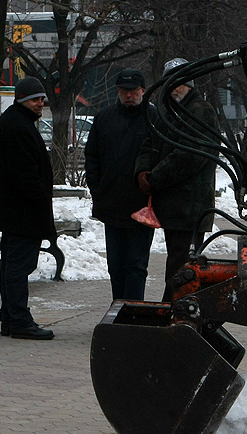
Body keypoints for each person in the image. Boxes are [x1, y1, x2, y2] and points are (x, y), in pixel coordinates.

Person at [135, 58, 220, 302]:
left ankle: (176, 314)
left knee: (182, 268)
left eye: (180, 81)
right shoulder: (167, 111)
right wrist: (141, 171)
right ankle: (176, 313)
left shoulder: (200, 111)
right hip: (175, 207)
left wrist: (154, 178)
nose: (175, 87)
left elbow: (189, 156)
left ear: (189, 83)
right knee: (177, 263)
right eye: (170, 81)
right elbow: (150, 142)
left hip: (191, 208)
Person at [0, 76, 56, 340]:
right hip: (22, 213)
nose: (41, 103)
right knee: (18, 268)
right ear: (23, 100)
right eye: (36, 99)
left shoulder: (16, 121)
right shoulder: (18, 127)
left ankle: (10, 319)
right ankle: (18, 320)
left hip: (15, 212)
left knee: (13, 267)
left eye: (42, 99)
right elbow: (25, 176)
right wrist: (40, 199)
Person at [85, 69, 156, 301]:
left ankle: (134, 311)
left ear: (143, 91)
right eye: (124, 90)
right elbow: (92, 156)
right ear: (117, 91)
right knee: (115, 266)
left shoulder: (153, 118)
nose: (129, 95)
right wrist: (97, 189)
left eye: (133, 90)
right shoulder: (104, 118)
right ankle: (119, 310)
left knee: (136, 265)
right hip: (111, 203)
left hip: (141, 206)